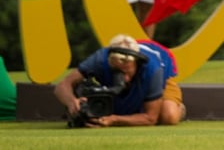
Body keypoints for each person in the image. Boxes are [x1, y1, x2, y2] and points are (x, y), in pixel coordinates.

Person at [54, 34, 184, 127]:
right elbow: (62, 85)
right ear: (110, 62)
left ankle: (180, 109)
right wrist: (72, 102)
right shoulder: (99, 60)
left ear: (136, 64)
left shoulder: (153, 69)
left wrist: (114, 120)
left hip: (163, 78)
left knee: (168, 116)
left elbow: (151, 119)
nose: (125, 78)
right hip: (115, 87)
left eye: (128, 71)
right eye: (118, 71)